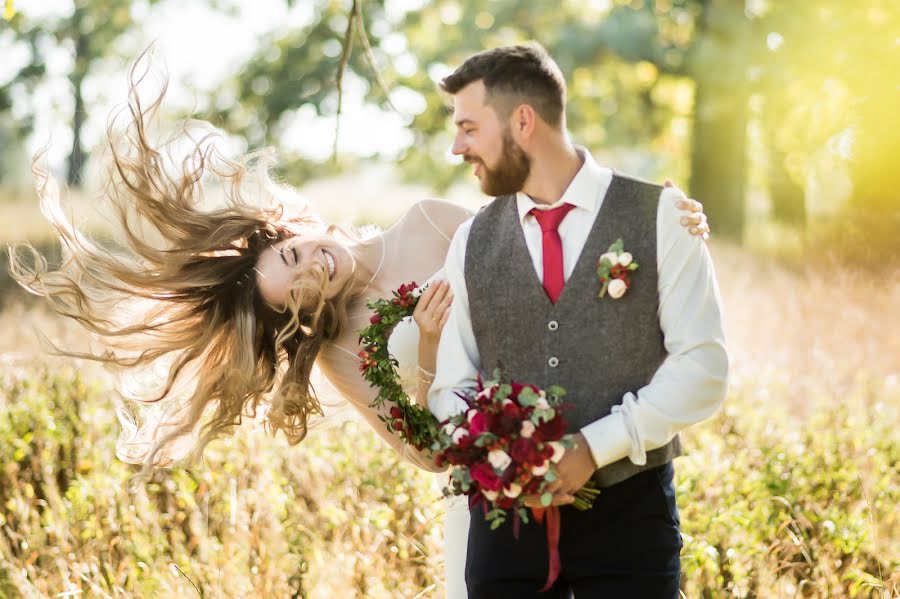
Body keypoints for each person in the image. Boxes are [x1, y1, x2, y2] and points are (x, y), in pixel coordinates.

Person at [8, 53, 711, 598]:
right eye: (298, 287)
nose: (312, 265)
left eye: (292, 253)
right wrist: (430, 348)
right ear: (300, 316)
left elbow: (546, 258)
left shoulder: (432, 222)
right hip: (498, 497)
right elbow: (429, 451)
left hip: (593, 445)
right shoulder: (342, 352)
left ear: (295, 229)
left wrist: (657, 228)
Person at [428, 43, 729, 598]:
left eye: (469, 128)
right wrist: (502, 459)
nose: (456, 147)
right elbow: (453, 384)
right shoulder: (472, 241)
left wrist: (595, 446)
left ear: (523, 121)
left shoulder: (661, 217)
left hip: (630, 519)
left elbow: (704, 368)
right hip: (504, 528)